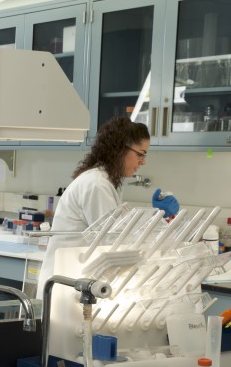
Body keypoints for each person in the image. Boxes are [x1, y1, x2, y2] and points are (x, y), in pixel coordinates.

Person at [37, 116, 176, 299]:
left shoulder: (103, 181)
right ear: (120, 150)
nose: (143, 162)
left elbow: (118, 230)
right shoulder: (96, 185)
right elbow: (113, 241)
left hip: (78, 281)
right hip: (67, 286)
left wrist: (156, 218)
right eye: (140, 154)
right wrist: (155, 221)